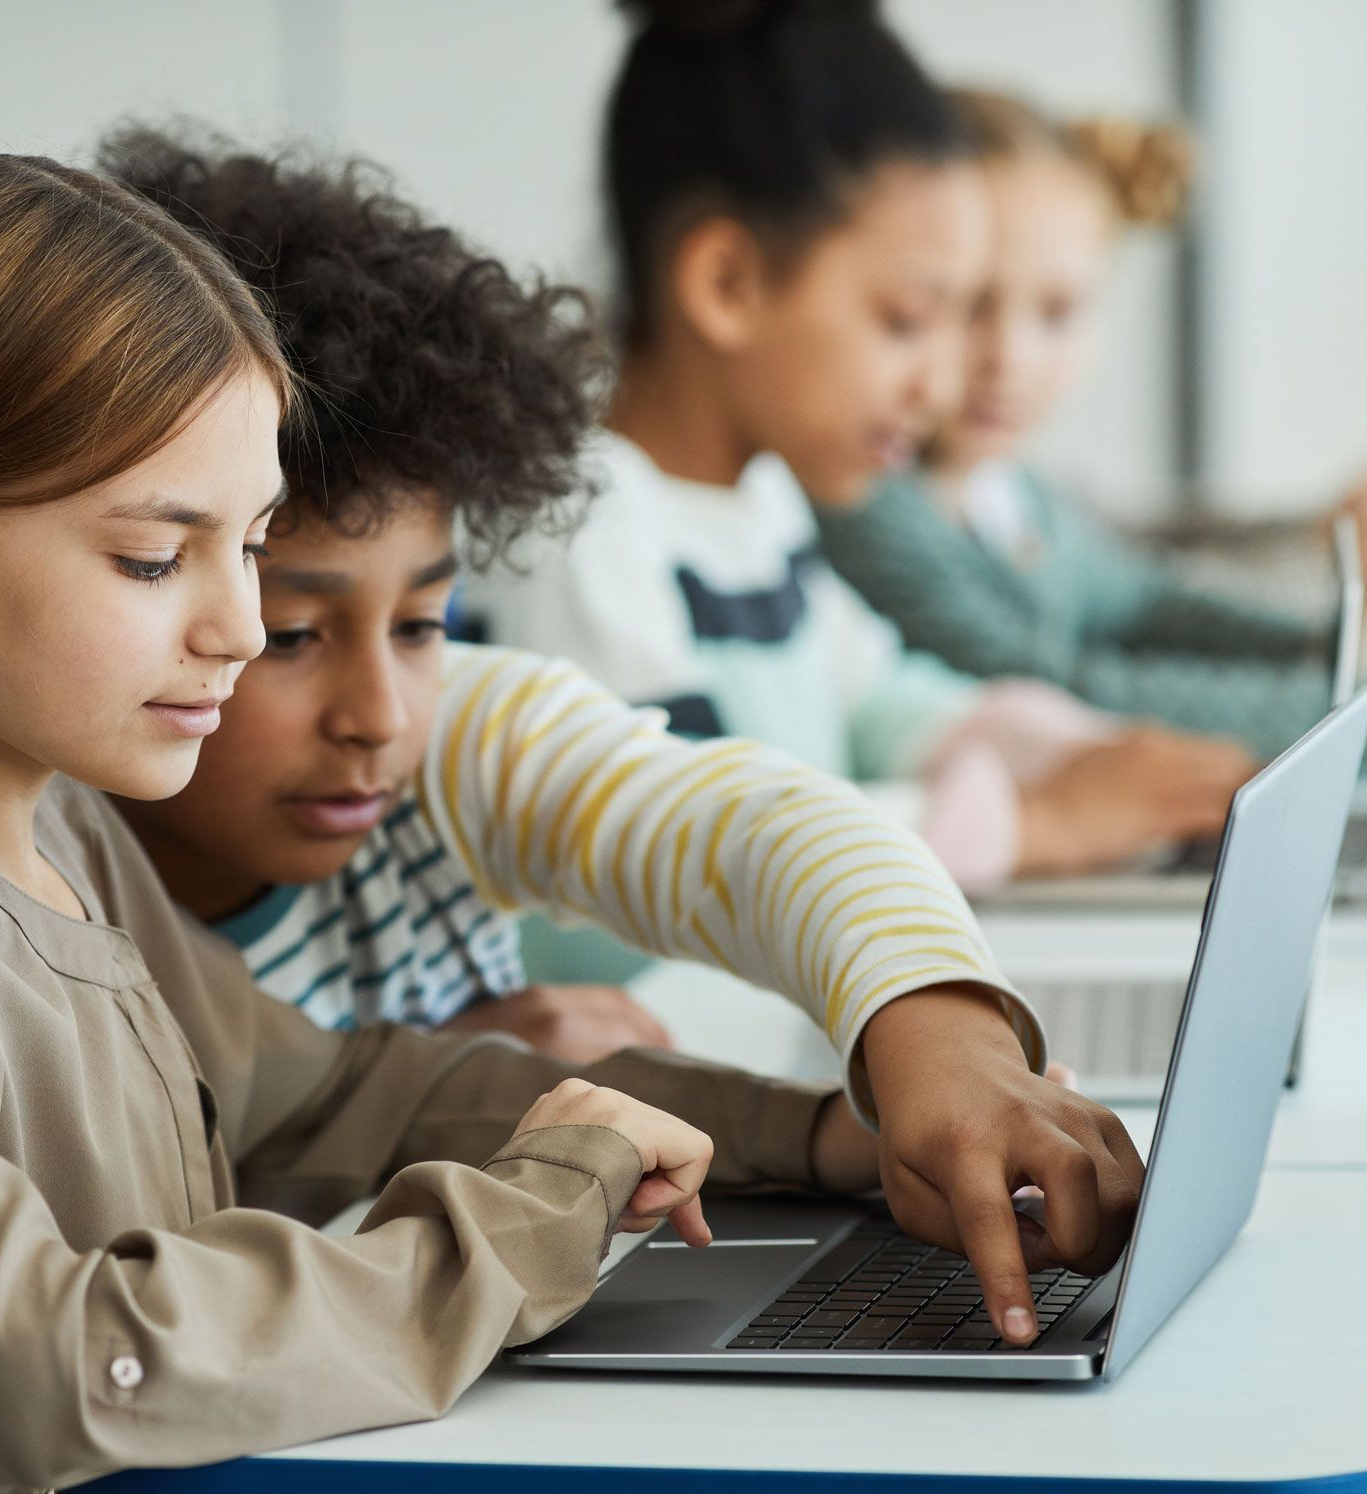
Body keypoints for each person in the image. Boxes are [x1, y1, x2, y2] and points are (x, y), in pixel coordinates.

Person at [0, 152, 912, 1493]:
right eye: (155, 556)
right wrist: (520, 1224)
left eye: (248, 546)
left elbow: (331, 1091)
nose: (240, 626)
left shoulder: (63, 833)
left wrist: (812, 1138)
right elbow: (13, 1369)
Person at [99, 129, 1141, 1335]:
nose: (379, 716)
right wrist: (440, 1089)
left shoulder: (459, 737)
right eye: (290, 638)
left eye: (427, 621)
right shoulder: (58, 877)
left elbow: (757, 830)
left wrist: (940, 1044)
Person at [466, 0, 1258, 894]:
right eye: (906, 321)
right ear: (728, 284)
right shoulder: (587, 526)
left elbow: (882, 699)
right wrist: (1033, 825)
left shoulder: (759, 507)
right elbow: (682, 852)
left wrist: (1083, 751)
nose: (943, 385)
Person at [812, 87, 1367, 764]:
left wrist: (1333, 650)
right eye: (970, 303)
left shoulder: (1017, 496)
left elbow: (1146, 603)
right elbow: (1063, 694)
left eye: (1058, 311)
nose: (1009, 358)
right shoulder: (861, 501)